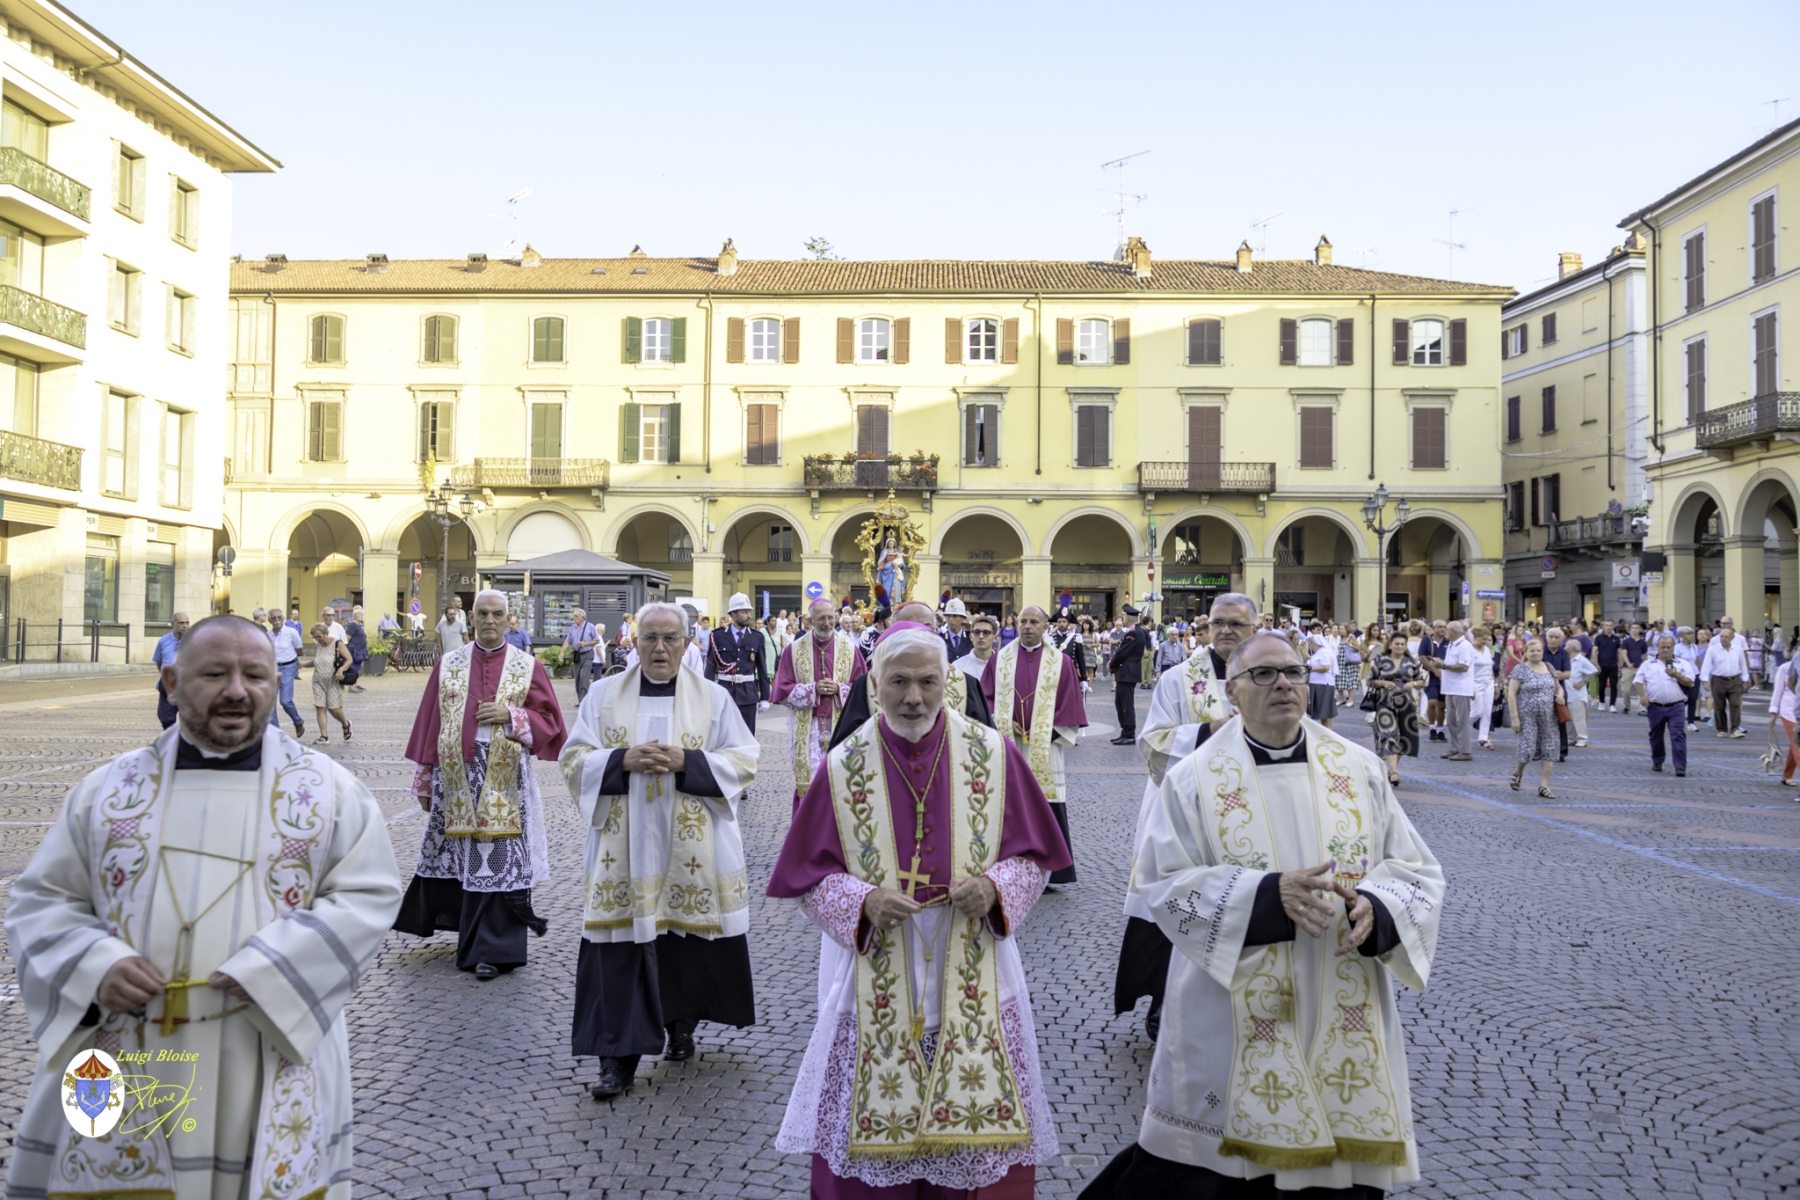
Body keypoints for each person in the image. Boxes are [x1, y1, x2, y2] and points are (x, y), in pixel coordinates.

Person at [3, 615, 402, 1200]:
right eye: (214, 673)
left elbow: (369, 894)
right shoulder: (107, 792)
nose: (237, 690)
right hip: (123, 1043)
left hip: (265, 1046)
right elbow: (42, 901)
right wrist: (93, 965)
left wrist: (277, 968)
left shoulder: (328, 791)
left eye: (255, 675)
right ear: (170, 682)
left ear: (276, 680)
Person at [1084, 631, 1445, 1200]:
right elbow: (1164, 882)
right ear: (1232, 692)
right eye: (1264, 674)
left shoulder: (1360, 768)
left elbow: (1416, 869)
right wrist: (1264, 897)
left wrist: (1379, 908)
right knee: (1216, 1176)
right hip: (1229, 1008)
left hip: (1341, 986)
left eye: (1294, 672)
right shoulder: (1196, 778)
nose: (1283, 683)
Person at [768, 626, 1072, 1196]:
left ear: (947, 683)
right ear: (875, 683)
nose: (914, 697)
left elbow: (1035, 858)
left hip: (976, 962)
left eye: (928, 682)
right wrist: (862, 901)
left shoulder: (993, 754)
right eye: (900, 682)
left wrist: (996, 888)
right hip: (874, 967)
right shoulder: (842, 766)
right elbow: (806, 879)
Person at [559, 601, 760, 1100]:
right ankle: (616, 1059)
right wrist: (619, 760)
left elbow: (745, 758)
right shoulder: (604, 695)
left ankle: (681, 1024)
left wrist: (687, 761)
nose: (660, 647)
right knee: (619, 946)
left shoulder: (713, 699)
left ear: (688, 642)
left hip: (694, 846)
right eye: (650, 637)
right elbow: (573, 757)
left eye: (671, 638)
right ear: (634, 641)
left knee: (683, 945)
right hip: (622, 845)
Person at [392, 590, 567, 980]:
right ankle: (462, 927)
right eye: (483, 614)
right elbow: (430, 723)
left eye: (497, 614)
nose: (490, 620)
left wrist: (511, 715)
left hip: (506, 782)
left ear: (508, 619)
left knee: (497, 858)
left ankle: (493, 949)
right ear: (471, 618)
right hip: (456, 779)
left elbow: (550, 721)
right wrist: (424, 779)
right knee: (459, 858)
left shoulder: (527, 665)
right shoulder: (448, 663)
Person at [1115, 593, 1253, 1042]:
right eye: (1218, 623)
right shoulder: (1179, 679)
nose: (1226, 631)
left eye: (1237, 623)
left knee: (1235, 907)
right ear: (1206, 628)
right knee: (1173, 906)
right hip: (1181, 813)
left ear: (1254, 628)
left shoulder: (1269, 677)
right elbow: (1152, 741)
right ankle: (1162, 1001)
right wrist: (1206, 732)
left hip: (1247, 817)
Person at [982, 604, 1087, 885]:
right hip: (1009, 745)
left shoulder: (1061, 661)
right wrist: (1000, 720)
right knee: (1008, 803)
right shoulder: (999, 659)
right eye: (1023, 622)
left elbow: (1070, 703)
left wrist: (1044, 732)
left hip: (1045, 746)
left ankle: (1052, 873)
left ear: (1045, 627)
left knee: (1047, 805)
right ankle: (1007, 867)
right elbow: (986, 699)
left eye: (1033, 622)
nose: (1027, 627)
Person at [830, 602, 994, 748]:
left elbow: (986, 749)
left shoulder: (965, 684)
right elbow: (844, 754)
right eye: (907, 628)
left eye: (926, 627)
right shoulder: (866, 684)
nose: (918, 633)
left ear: (936, 631)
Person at [773, 599, 869, 807]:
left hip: (842, 725)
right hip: (807, 728)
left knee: (841, 782)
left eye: (830, 618)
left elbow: (864, 689)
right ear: (810, 620)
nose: (827, 623)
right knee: (809, 785)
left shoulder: (851, 650)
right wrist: (812, 689)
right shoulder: (794, 650)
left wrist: (840, 689)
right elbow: (782, 690)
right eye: (821, 619)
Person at [705, 592, 772, 733]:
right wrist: (708, 696)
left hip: (748, 694)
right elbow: (710, 669)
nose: (749, 615)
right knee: (724, 735)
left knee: (747, 736)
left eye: (749, 612)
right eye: (744, 612)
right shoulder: (717, 636)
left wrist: (765, 697)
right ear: (733, 614)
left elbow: (762, 669)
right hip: (724, 692)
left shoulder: (757, 637)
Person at [1369, 630, 1427, 785]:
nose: (1399, 646)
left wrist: (1412, 683)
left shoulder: (1411, 661)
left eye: (1402, 644)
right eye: (1397, 644)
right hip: (1385, 702)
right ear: (1390, 645)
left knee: (1403, 738)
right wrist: (1383, 683)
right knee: (1388, 735)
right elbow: (1370, 681)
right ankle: (1394, 772)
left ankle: (1392, 768)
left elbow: (1421, 681)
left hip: (1406, 704)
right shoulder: (1381, 659)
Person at [1508, 637, 1562, 797]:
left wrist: (1560, 695)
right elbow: (1511, 694)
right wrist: (1514, 718)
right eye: (1532, 651)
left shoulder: (1549, 667)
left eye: (1538, 650)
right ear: (1526, 652)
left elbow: (1558, 688)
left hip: (1548, 716)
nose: (1536, 653)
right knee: (1527, 749)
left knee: (1549, 749)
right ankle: (1518, 772)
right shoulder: (1520, 669)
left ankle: (1544, 786)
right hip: (1527, 716)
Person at [1638, 634, 1695, 777]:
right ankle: (1657, 760)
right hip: (1655, 706)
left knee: (1678, 735)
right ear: (1657, 647)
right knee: (1656, 735)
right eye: (1662, 647)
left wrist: (1676, 675)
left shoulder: (1682, 664)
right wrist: (1642, 696)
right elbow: (1638, 681)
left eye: (1668, 647)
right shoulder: (1648, 664)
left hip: (1676, 706)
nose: (1665, 650)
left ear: (1673, 648)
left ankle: (1680, 766)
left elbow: (1690, 682)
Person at [1108, 603, 1152, 744]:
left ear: (1127, 617)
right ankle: (1125, 732)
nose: (1122, 619)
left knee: (1126, 704)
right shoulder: (1134, 631)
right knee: (1120, 703)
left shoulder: (1134, 632)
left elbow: (1122, 652)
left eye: (1124, 616)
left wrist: (1111, 664)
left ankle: (1129, 734)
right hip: (1125, 672)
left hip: (1127, 672)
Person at [1436, 619, 1476, 761]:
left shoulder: (1465, 646)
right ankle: (1455, 748)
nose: (1444, 631)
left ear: (1453, 631)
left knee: (1462, 721)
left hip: (1461, 688)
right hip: (1450, 687)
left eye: (1446, 629)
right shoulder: (1452, 645)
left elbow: (1463, 667)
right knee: (1452, 720)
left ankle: (1465, 751)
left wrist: (1443, 665)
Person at [1701, 619, 1749, 738]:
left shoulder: (1738, 649)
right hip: (1718, 680)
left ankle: (1735, 729)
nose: (1723, 639)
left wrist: (1745, 679)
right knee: (1719, 705)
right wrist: (1705, 680)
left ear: (1732, 638)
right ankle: (1721, 728)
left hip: (1734, 679)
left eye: (1725, 637)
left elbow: (1743, 665)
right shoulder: (1713, 649)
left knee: (1735, 704)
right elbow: (1706, 665)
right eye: (1721, 636)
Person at [308, 621, 353, 744]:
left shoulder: (337, 644)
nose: (317, 639)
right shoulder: (317, 645)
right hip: (318, 680)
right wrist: (302, 665)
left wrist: (340, 670)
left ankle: (345, 724)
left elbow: (349, 659)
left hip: (334, 680)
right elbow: (317, 660)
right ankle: (324, 736)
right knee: (320, 707)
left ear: (325, 633)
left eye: (319, 636)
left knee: (334, 709)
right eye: (314, 637)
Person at [150, 610, 190, 728]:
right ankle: (171, 742)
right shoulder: (163, 641)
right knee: (166, 719)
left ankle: (186, 743)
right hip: (168, 686)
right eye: (181, 623)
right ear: (173, 624)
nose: (185, 626)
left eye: (187, 623)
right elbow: (159, 662)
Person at [1767, 651, 1800, 790]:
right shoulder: (1785, 668)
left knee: (1796, 744)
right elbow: (1778, 690)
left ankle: (1787, 774)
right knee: (1797, 745)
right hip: (1788, 709)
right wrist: (1773, 712)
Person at [1542, 627, 1574, 761]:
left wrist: (1550, 675)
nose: (1553, 640)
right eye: (1551, 637)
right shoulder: (1540, 651)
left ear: (1561, 639)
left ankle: (1561, 751)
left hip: (1559, 692)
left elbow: (1567, 674)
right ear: (1546, 638)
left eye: (1556, 637)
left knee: (1560, 721)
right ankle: (1541, 750)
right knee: (1542, 721)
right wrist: (1557, 674)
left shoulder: (1564, 653)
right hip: (1542, 691)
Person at [1566, 639, 1598, 748]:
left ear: (1571, 648)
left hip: (1577, 694)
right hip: (1567, 693)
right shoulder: (1566, 659)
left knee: (1578, 718)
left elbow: (1594, 671)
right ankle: (1570, 738)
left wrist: (1583, 682)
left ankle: (1582, 738)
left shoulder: (1582, 660)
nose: (1564, 648)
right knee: (1569, 719)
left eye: (1566, 646)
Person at [1471, 623, 1498, 750]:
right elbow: (1467, 671)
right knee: (1477, 711)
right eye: (1484, 639)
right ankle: (1460, 728)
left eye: (1488, 639)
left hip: (1488, 683)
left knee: (1487, 712)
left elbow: (1490, 668)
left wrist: (1495, 684)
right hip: (1475, 683)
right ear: (1476, 636)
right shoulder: (1470, 650)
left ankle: (1483, 738)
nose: (1487, 642)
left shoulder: (1487, 650)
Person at [1303, 632, 1337, 729]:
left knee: (1324, 713)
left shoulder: (1323, 652)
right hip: (1318, 684)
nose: (1310, 645)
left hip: (1322, 684)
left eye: (1311, 643)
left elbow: (1326, 667)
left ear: (1316, 643)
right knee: (1324, 713)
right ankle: (1328, 732)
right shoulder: (1319, 653)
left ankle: (1328, 733)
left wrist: (1311, 668)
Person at [954, 611, 999, 680]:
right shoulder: (958, 666)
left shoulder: (1003, 666)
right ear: (971, 636)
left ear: (995, 638)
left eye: (986, 633)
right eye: (977, 632)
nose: (981, 636)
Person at [1674, 626, 1704, 731]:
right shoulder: (1677, 647)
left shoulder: (1694, 646)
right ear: (1682, 635)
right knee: (1682, 698)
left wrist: (1701, 672)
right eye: (1689, 633)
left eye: (1692, 633)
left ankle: (1691, 722)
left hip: (1694, 674)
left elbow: (1696, 660)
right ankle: (1677, 719)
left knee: (1693, 698)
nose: (1691, 635)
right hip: (1683, 675)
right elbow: (1676, 661)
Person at [1620, 622, 1648, 716]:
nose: (1634, 629)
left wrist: (1645, 666)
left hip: (1639, 668)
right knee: (1626, 690)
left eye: (1636, 628)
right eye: (1633, 628)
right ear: (1630, 629)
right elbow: (1624, 653)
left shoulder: (1643, 642)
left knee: (1641, 689)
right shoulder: (1626, 641)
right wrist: (1628, 663)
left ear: (1640, 629)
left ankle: (1641, 708)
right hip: (1627, 668)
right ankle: (1627, 706)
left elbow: (1645, 655)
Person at [941, 595, 973, 661]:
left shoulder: (970, 638)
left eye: (955, 616)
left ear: (963, 618)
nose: (951, 619)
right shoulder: (940, 638)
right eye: (948, 616)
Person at [346, 606, 370, 692]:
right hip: (354, 651)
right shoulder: (352, 625)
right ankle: (351, 687)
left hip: (360, 650)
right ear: (355, 616)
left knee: (357, 668)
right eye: (359, 614)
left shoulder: (359, 625)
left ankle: (355, 685)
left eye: (362, 614)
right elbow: (347, 638)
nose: (361, 616)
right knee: (353, 668)